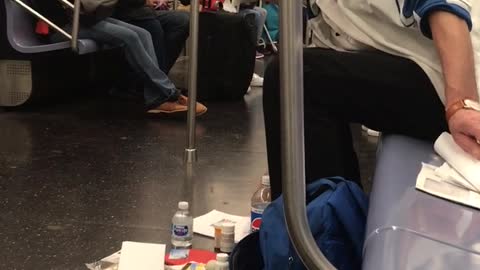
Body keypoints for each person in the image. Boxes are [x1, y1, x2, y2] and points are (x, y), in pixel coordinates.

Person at [263, 0, 480, 199]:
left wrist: (463, 104)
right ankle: (327, 220)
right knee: (302, 78)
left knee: (293, 78)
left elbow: (444, 7)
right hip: (429, 71)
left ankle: (324, 229)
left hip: (457, 83)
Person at [35, 1, 207, 116]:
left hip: (84, 19)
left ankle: (156, 98)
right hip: (61, 26)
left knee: (143, 33)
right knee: (131, 37)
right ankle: (168, 93)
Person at [114, 0, 190, 74]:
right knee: (151, 23)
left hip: (141, 9)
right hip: (121, 11)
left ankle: (159, 75)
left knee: (181, 20)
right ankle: (157, 80)